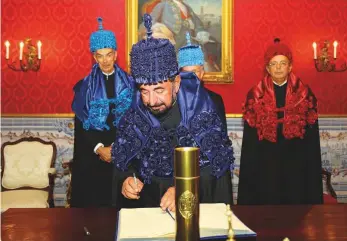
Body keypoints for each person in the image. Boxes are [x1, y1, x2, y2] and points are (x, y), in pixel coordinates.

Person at [111, 14, 234, 211]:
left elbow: (215, 169)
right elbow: (124, 161)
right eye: (144, 91)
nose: (151, 101)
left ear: (176, 83)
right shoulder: (135, 113)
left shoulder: (200, 108)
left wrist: (184, 188)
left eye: (159, 90)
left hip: (192, 209)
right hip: (147, 208)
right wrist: (126, 180)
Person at [237, 38, 323, 205]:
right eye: (273, 64)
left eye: (282, 63)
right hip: (265, 166)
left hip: (296, 165)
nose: (278, 68)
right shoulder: (255, 95)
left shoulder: (304, 93)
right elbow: (250, 142)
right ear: (267, 68)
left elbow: (312, 140)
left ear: (290, 67)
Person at [70, 17, 133, 207]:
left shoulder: (130, 85)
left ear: (116, 54)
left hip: (123, 156)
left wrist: (117, 148)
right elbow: (81, 124)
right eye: (100, 55)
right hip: (92, 159)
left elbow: (135, 120)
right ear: (94, 57)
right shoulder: (84, 87)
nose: (105, 60)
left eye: (109, 54)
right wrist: (99, 148)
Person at [178, 32, 227, 128]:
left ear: (202, 72)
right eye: (186, 72)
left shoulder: (215, 99)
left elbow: (222, 136)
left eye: (195, 71)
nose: (191, 76)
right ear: (179, 75)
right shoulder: (172, 102)